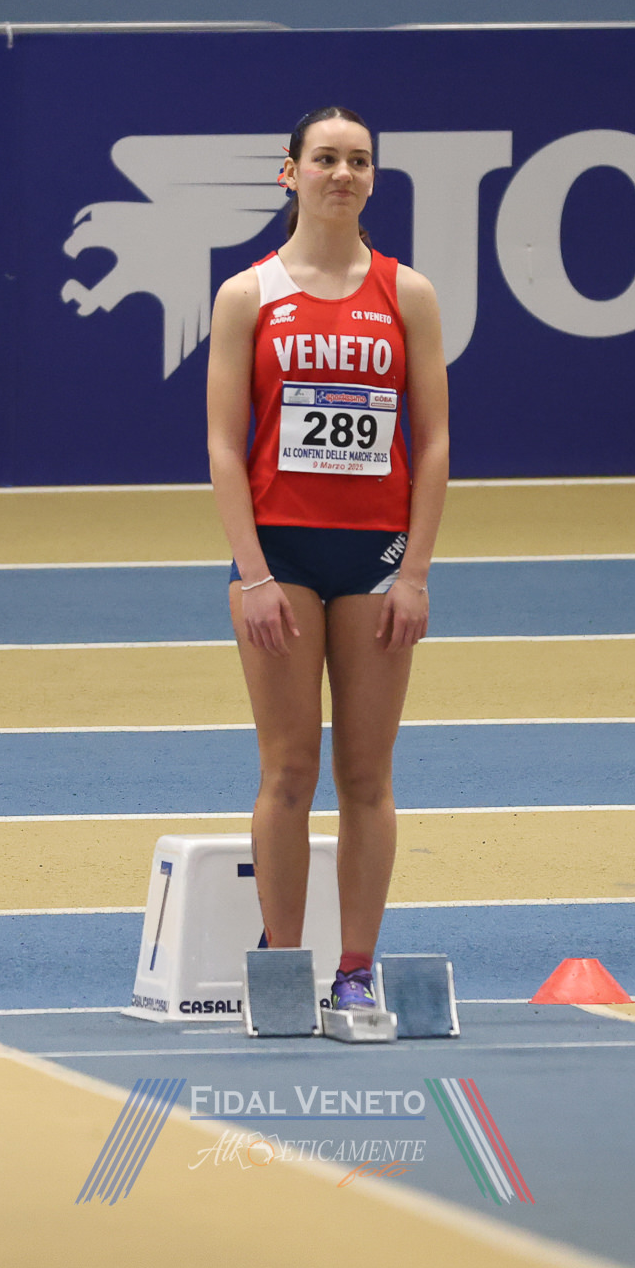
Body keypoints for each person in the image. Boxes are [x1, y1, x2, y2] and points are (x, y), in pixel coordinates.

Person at [205, 108, 449, 1016]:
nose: (343, 173)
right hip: (281, 553)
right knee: (287, 770)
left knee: (368, 776)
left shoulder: (408, 294)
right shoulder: (248, 296)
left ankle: (353, 971)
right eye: (325, 159)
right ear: (290, 172)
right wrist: (253, 573)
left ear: (373, 178)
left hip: (375, 556)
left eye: (359, 161)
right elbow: (224, 445)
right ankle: (280, 972)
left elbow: (435, 442)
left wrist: (415, 572)